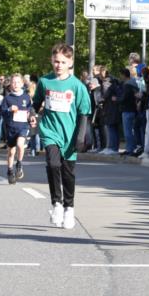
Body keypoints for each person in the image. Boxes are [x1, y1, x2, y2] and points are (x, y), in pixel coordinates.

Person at [32, 42, 91, 230]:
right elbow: (36, 104)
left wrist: (80, 137)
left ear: (70, 62)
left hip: (70, 134)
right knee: (53, 164)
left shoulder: (77, 86)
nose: (58, 65)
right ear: (52, 60)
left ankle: (69, 208)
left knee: (68, 172)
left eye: (63, 62)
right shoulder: (44, 81)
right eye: (56, 61)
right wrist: (32, 116)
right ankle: (57, 203)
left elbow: (84, 113)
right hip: (50, 131)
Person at [1, 73, 32, 183]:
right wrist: (9, 109)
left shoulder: (26, 97)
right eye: (14, 82)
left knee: (20, 144)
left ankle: (19, 164)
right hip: (11, 128)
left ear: (22, 83)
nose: (16, 84)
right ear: (10, 85)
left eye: (18, 82)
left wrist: (31, 117)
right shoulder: (7, 98)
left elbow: (30, 110)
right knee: (11, 152)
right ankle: (10, 171)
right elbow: (3, 113)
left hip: (23, 126)